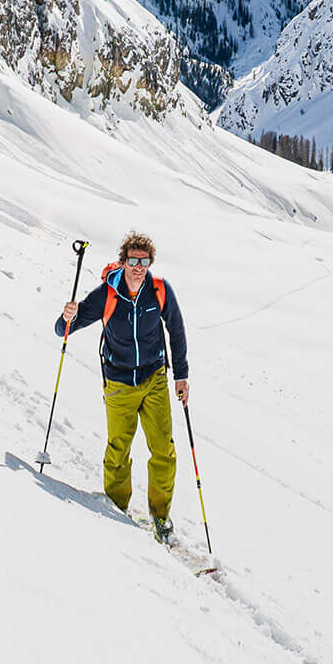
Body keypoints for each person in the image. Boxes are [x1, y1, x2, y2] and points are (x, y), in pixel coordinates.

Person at [56, 232, 189, 542]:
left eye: (144, 261)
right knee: (118, 449)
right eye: (133, 261)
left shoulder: (159, 290)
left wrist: (180, 375)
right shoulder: (107, 294)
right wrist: (65, 319)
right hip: (118, 383)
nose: (138, 267)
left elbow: (177, 331)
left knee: (164, 450)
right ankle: (117, 508)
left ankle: (161, 516)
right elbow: (63, 330)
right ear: (123, 261)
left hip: (154, 378)